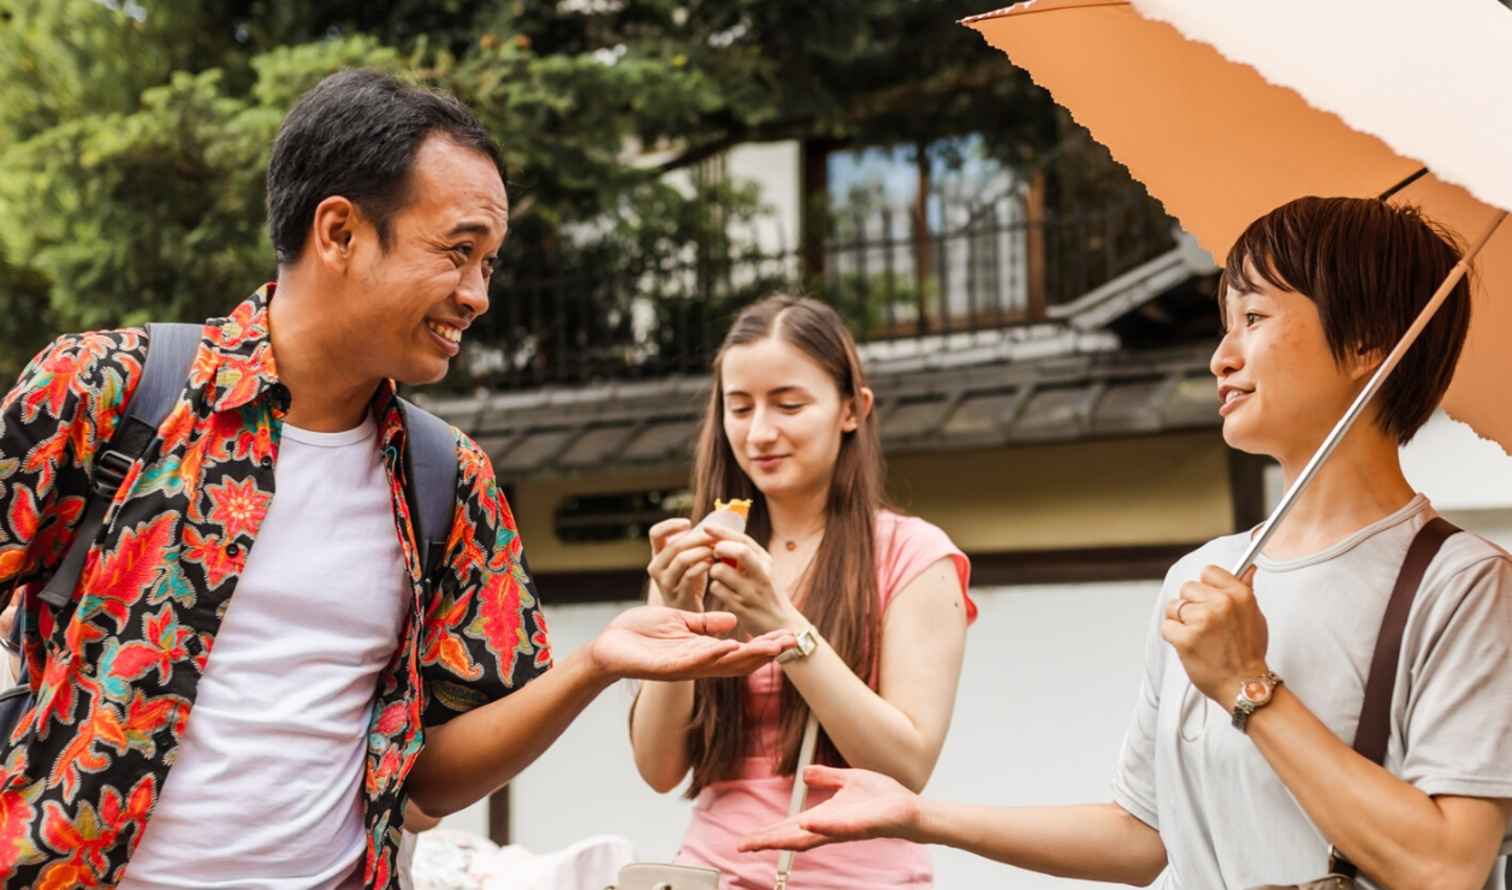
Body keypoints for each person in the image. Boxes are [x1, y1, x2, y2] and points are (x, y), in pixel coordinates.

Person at [0, 69, 791, 889]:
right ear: (339, 232)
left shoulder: (449, 481)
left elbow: (430, 777)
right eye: (458, 251)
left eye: (489, 262)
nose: (478, 295)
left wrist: (594, 665)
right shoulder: (109, 390)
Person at [740, 197, 1512, 889]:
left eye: (1255, 319)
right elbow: (1142, 837)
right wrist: (919, 817)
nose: (1222, 356)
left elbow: (1445, 865)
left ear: (1368, 345)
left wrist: (1249, 686)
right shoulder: (1207, 575)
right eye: (1224, 323)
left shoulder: (1465, 585)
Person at [630, 296, 974, 888]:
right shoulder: (701, 553)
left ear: (852, 410)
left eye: (789, 405)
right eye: (739, 408)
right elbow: (659, 768)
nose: (761, 432)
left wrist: (782, 623)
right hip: (711, 873)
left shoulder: (915, 555)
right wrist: (678, 614)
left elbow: (905, 767)